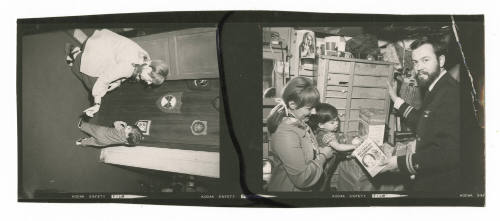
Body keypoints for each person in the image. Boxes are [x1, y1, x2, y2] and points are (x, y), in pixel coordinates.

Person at [380, 36, 475, 192]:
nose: (419, 68)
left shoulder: (451, 93)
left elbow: (449, 153)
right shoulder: (436, 87)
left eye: (425, 60)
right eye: (416, 62)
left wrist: (400, 163)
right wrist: (396, 100)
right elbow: (425, 120)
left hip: (442, 185)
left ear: (441, 60)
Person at [65, 29, 169, 117]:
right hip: (100, 49)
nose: (149, 83)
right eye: (151, 80)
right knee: (93, 82)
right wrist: (97, 103)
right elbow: (105, 78)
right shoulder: (129, 67)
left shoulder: (147, 58)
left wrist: (117, 82)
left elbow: (123, 69)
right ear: (149, 70)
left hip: (106, 40)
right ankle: (75, 53)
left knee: (106, 84)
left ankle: (78, 54)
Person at [266, 77, 334, 192]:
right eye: (309, 108)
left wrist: (318, 149)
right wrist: (323, 156)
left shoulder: (299, 121)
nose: (313, 112)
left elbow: (304, 150)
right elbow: (302, 178)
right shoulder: (285, 133)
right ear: (292, 104)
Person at [307, 103, 363, 191]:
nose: (336, 123)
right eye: (332, 122)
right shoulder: (326, 135)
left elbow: (338, 145)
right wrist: (355, 146)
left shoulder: (323, 131)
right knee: (322, 184)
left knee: (325, 182)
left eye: (336, 120)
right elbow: (338, 147)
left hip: (327, 164)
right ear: (321, 125)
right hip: (324, 166)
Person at [76, 117, 143, 147]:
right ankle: (81, 142)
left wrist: (121, 122)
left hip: (101, 132)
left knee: (91, 128)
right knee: (92, 142)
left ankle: (81, 125)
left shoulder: (121, 129)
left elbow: (115, 123)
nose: (128, 126)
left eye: (128, 128)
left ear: (128, 135)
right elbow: (129, 143)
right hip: (104, 142)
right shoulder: (125, 141)